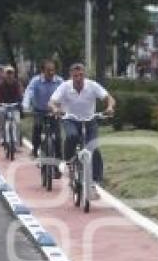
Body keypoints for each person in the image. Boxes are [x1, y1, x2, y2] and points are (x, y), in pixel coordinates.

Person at [48, 62, 115, 200]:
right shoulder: (65, 86)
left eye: (81, 75)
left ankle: (94, 183)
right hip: (70, 119)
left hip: (90, 120)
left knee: (93, 148)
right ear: (71, 76)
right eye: (75, 75)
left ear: (84, 75)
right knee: (72, 136)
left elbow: (109, 98)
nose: (78, 78)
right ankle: (69, 162)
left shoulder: (92, 85)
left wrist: (109, 107)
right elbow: (52, 101)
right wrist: (55, 109)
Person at [23, 60, 64, 166]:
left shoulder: (60, 81)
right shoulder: (35, 81)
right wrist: (26, 106)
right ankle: (35, 150)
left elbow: (67, 94)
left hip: (54, 112)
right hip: (39, 111)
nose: (51, 72)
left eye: (53, 70)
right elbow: (29, 92)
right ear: (42, 71)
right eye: (48, 70)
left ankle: (59, 157)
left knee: (58, 136)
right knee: (37, 128)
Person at [0, 66, 24, 146]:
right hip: (3, 105)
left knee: (17, 122)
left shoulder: (17, 84)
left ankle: (16, 142)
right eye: (7, 73)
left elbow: (21, 94)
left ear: (13, 74)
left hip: (14, 106)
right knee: (1, 120)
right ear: (4, 75)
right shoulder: (0, 84)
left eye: (11, 73)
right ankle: (2, 137)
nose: (9, 75)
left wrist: (21, 101)